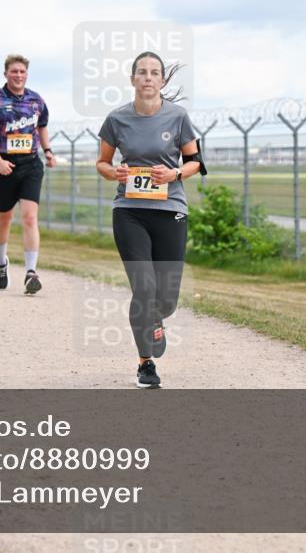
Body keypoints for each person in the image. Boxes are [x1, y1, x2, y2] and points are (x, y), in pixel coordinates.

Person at [95, 51, 204, 389]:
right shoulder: (117, 119)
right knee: (143, 288)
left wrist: (173, 173)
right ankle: (146, 363)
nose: (147, 77)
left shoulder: (178, 116)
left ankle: (156, 319)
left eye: (154, 72)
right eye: (141, 72)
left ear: (162, 80)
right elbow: (101, 163)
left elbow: (196, 162)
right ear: (132, 79)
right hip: (129, 211)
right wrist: (115, 172)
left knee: (166, 299)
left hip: (170, 209)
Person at [0, 54, 55, 294]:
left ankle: (31, 272)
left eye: (22, 72)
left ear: (26, 74)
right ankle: (1, 262)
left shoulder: (36, 100)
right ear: (6, 74)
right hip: (3, 165)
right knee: (5, 217)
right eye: (14, 71)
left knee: (30, 217)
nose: (18, 75)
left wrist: (48, 151)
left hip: (30, 164)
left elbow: (42, 126)